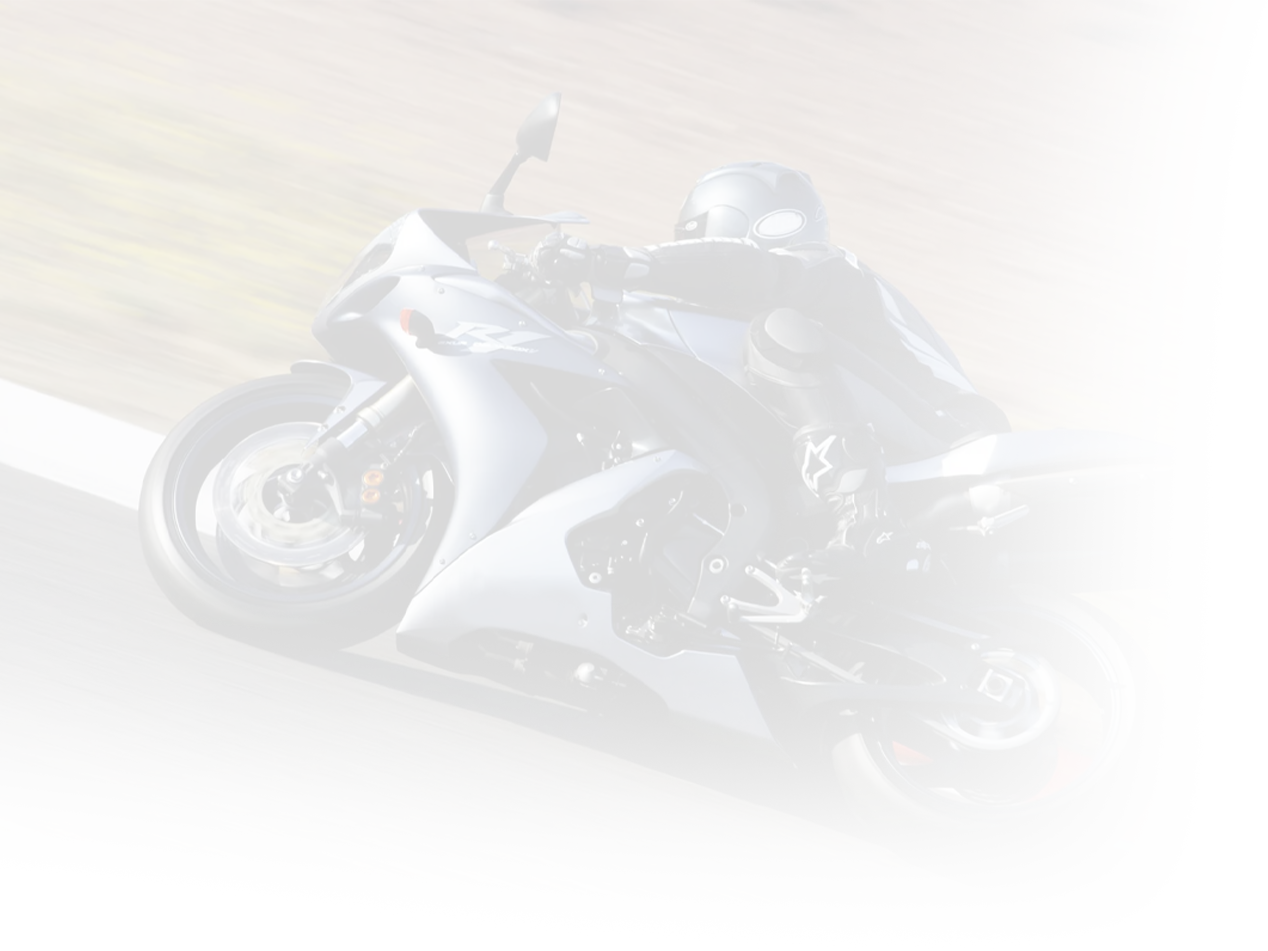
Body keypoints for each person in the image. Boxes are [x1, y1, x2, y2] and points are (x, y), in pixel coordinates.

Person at [527, 161, 1010, 593]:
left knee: (778, 334)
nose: (688, 256)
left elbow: (755, 271)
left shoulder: (830, 268)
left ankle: (871, 528)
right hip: (903, 433)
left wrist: (613, 262)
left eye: (694, 243)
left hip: (954, 431)